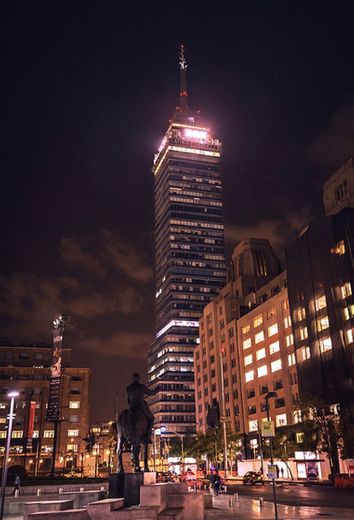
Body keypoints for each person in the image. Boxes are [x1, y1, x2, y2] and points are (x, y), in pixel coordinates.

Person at [126, 373, 157, 443]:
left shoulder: (128, 388)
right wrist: (157, 389)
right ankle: (147, 435)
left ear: (132, 378)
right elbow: (151, 392)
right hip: (141, 406)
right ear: (138, 378)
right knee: (151, 418)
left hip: (132, 407)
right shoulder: (141, 387)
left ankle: (127, 436)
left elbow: (128, 400)